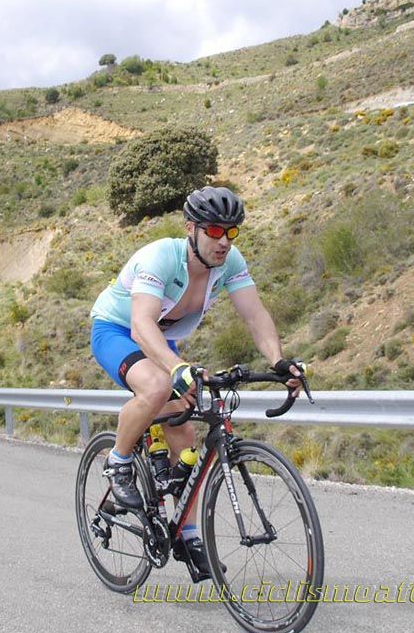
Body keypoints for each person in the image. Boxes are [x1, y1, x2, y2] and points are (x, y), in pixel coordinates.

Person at [89, 186, 304, 582]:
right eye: (214, 231)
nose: (223, 241)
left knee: (186, 431)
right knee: (156, 387)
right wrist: (176, 367)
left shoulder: (229, 262)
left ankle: (186, 532)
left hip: (161, 338)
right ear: (191, 228)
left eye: (231, 232)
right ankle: (118, 463)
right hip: (119, 329)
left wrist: (278, 361)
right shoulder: (161, 257)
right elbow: (141, 326)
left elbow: (255, 315)